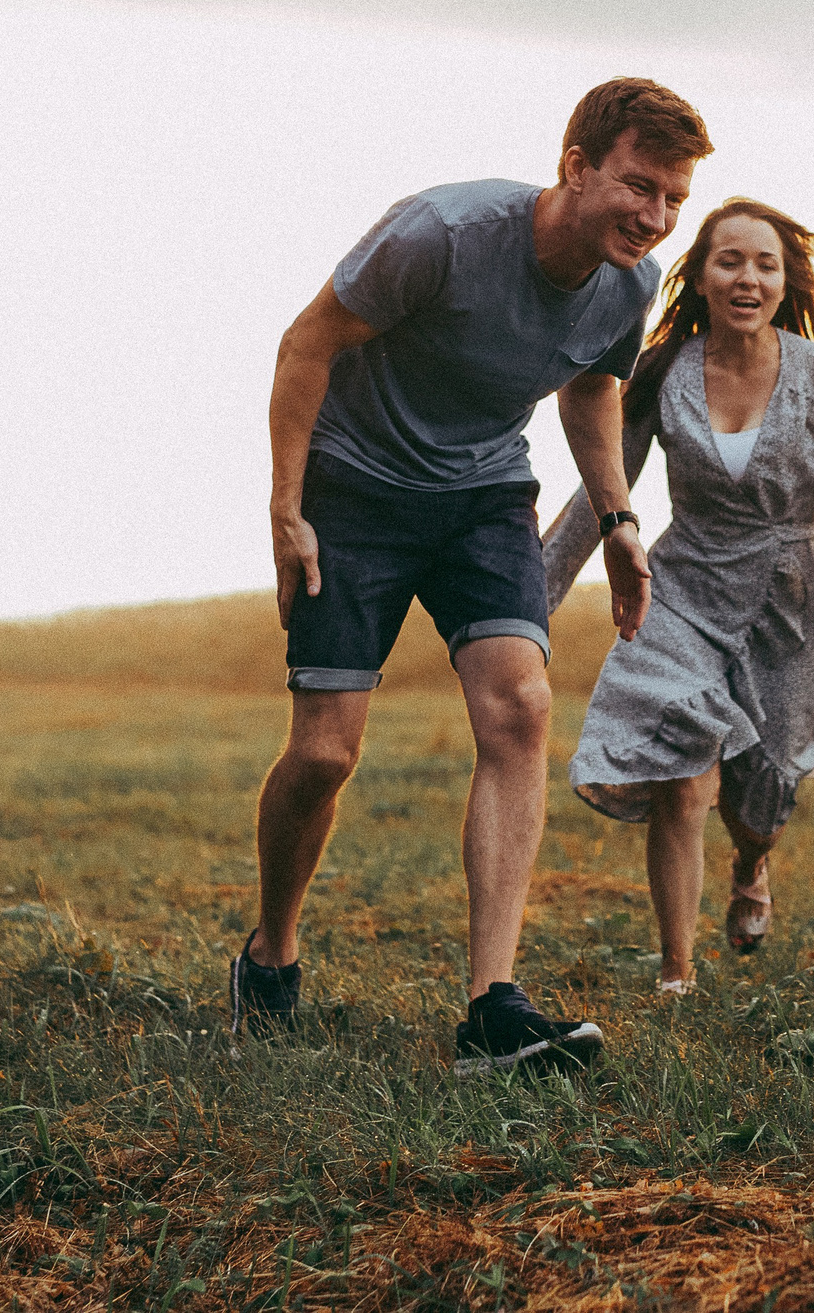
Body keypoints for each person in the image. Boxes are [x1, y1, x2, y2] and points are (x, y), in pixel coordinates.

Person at [236, 77, 712, 1077]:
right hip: (354, 489)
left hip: (483, 494)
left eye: (672, 197)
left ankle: (491, 1009)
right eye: (637, 184)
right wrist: (287, 507)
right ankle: (271, 948)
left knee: (520, 707)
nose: (654, 216)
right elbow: (305, 343)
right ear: (574, 165)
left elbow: (591, 386)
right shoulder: (442, 232)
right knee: (325, 752)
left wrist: (621, 520)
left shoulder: (631, 282)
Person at [540, 199, 814, 996]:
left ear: (786, 282)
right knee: (683, 773)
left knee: (759, 799)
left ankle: (751, 866)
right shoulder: (661, 369)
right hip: (681, 587)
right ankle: (677, 972)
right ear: (701, 274)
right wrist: (533, 595)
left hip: (794, 600)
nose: (746, 278)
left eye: (764, 264)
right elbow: (602, 488)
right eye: (730, 261)